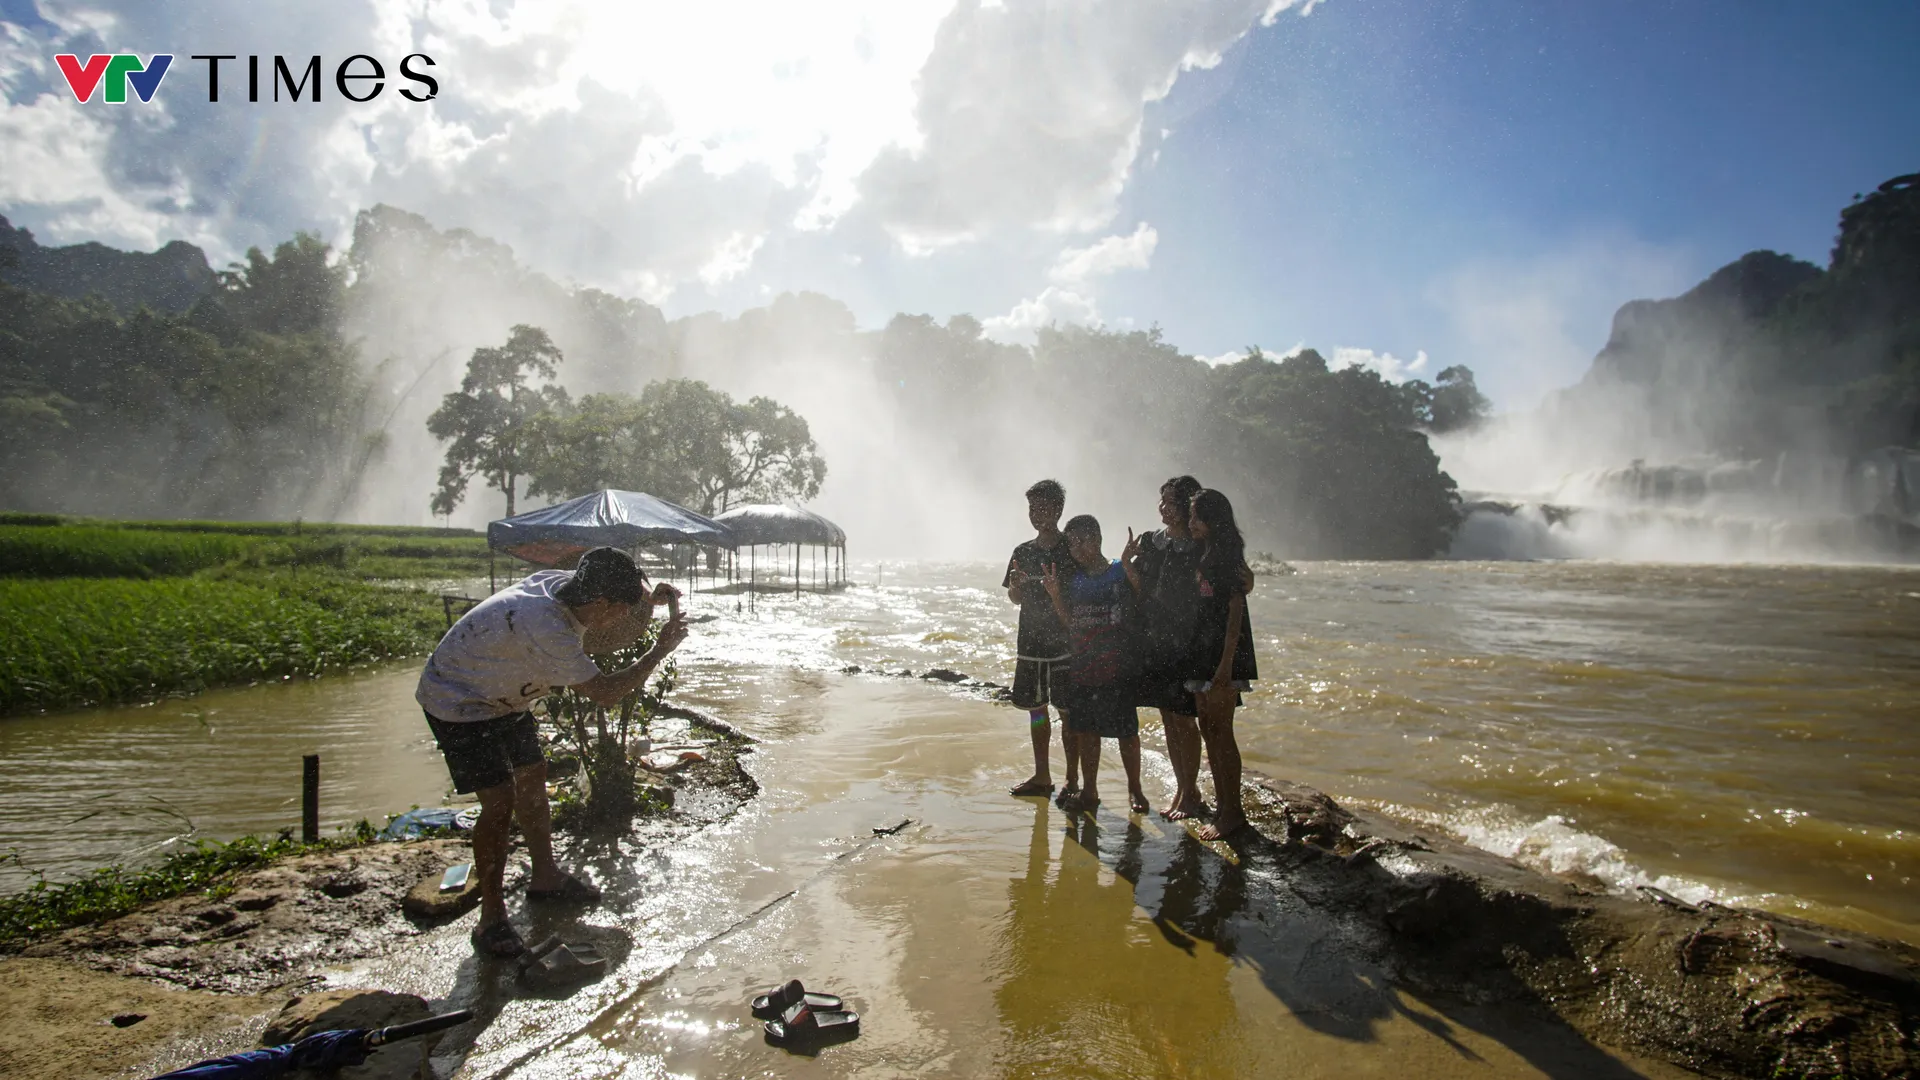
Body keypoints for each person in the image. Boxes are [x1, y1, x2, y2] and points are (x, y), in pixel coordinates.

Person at [415, 546, 688, 957]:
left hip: (506, 692)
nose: (623, 617)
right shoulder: (548, 628)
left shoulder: (567, 586)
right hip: (459, 699)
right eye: (623, 608)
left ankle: (545, 878)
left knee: (533, 777)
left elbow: (612, 612)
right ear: (601, 603)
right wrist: (658, 652)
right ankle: (491, 919)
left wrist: (648, 599)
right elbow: (607, 693)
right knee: (499, 803)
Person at [1041, 514, 1148, 814]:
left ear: (1097, 540)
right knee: (1087, 732)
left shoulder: (1117, 570)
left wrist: (1129, 566)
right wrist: (1055, 596)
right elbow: (1069, 623)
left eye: (1080, 542)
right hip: (1084, 666)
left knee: (1128, 732)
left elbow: (1142, 598)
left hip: (1119, 666)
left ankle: (1135, 789)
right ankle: (1090, 790)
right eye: (1071, 544)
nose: (1075, 549)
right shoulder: (1073, 581)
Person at [1127, 475, 1208, 820]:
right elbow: (1141, 590)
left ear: (1189, 505)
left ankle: (1191, 793)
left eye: (1172, 502)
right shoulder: (1150, 542)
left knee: (1186, 720)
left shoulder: (1201, 546)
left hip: (1189, 643)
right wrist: (1127, 563)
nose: (1164, 507)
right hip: (1156, 640)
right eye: (1162, 500)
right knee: (1168, 718)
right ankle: (1182, 789)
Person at [1183, 489, 1259, 841]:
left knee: (1222, 731)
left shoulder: (1227, 557)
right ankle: (1223, 805)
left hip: (1222, 656)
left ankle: (1233, 813)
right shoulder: (1205, 551)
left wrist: (1227, 664)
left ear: (1213, 521)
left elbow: (1235, 613)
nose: (1191, 522)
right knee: (1208, 728)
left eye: (1196, 517)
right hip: (1202, 652)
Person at [1002, 479, 1076, 800]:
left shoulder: (1070, 549)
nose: (1036, 514)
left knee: (1069, 712)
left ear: (1058, 510)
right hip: (1030, 645)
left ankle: (1072, 781)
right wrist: (1017, 586)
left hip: (1064, 646)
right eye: (1032, 508)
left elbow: (1079, 600)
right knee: (1037, 710)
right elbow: (1016, 598)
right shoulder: (1023, 552)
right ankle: (1043, 776)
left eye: (1043, 507)